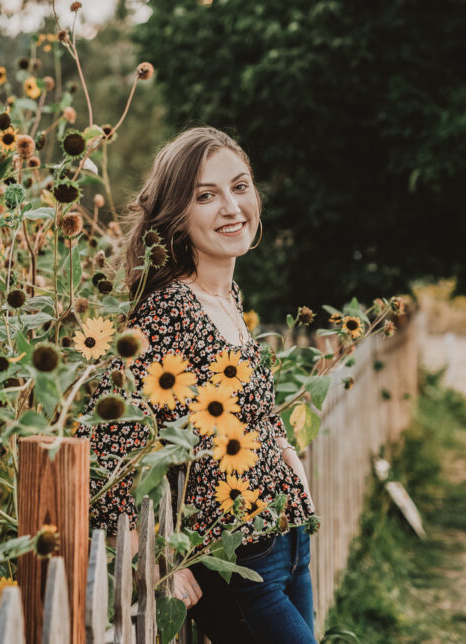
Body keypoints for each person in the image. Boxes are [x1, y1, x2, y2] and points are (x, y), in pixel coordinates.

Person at [75, 127, 320, 642]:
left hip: (287, 541)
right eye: (206, 196)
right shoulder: (167, 312)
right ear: (177, 215)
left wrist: (284, 451)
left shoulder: (225, 295)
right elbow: (102, 447)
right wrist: (149, 559)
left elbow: (244, 405)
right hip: (238, 565)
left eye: (240, 186)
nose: (232, 207)